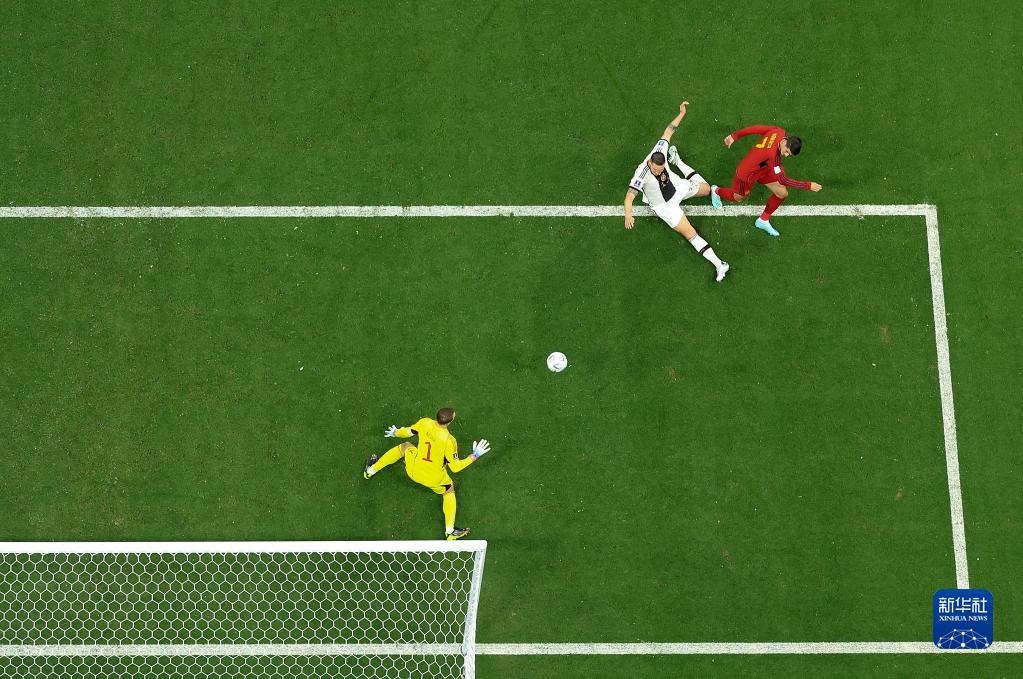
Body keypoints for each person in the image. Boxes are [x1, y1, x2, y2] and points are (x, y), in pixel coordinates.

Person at [624, 101, 730, 283]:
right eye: (655, 170)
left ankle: (677, 161)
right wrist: (628, 214)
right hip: (665, 207)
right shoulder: (641, 173)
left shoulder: (660, 150)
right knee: (690, 233)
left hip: (677, 187)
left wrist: (681, 113)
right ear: (649, 163)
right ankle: (720, 264)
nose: (658, 171)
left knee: (706, 189)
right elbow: (629, 196)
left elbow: (669, 131)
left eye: (661, 168)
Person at [363, 407, 490, 540]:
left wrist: (395, 432)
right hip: (433, 479)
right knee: (449, 490)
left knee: (405, 446)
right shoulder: (449, 441)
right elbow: (455, 467)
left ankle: (369, 471)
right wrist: (474, 456)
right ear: (449, 422)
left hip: (413, 469)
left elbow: (408, 431)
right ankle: (450, 532)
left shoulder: (425, 423)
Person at [710, 125, 823, 236]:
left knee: (782, 193)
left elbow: (756, 128)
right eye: (787, 151)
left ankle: (763, 220)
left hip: (764, 168)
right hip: (747, 174)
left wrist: (735, 136)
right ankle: (716, 191)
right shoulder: (774, 158)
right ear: (785, 143)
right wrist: (808, 185)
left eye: (789, 154)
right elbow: (783, 180)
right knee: (739, 197)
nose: (786, 155)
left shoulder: (779, 132)